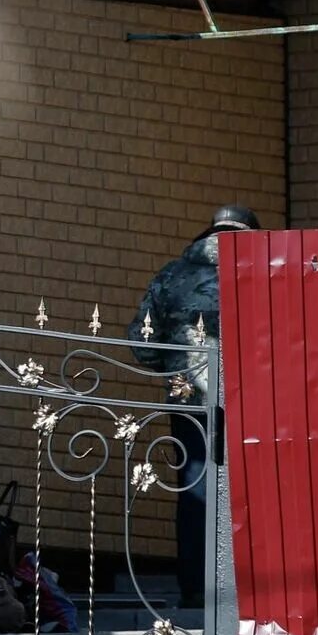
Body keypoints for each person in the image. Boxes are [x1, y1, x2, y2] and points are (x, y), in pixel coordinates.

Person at [131, 204, 258, 606]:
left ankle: (194, 589)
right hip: (250, 398)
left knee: (195, 491)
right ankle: (245, 591)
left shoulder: (172, 276)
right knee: (251, 493)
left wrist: (177, 363)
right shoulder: (259, 272)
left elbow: (142, 345)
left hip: (188, 400)